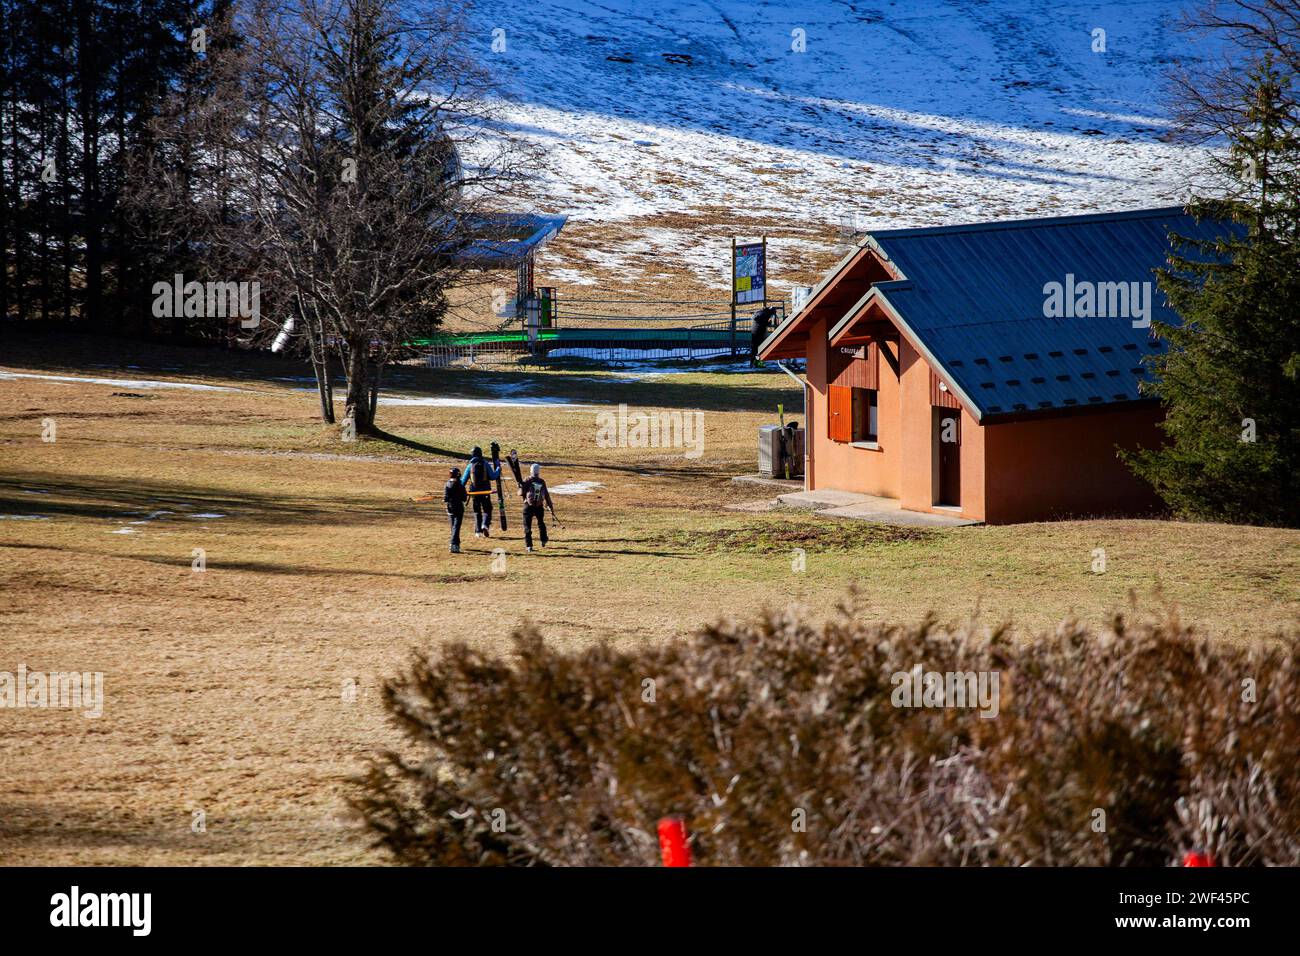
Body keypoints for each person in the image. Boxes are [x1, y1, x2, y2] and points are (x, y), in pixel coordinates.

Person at [460, 445, 500, 537]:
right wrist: (498, 468)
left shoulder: (470, 466)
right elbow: (493, 476)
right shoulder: (485, 463)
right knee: (487, 510)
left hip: (474, 493)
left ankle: (478, 531)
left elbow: (463, 482)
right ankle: (485, 525)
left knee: (477, 511)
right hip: (485, 492)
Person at [518, 463, 554, 553]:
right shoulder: (542, 482)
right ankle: (543, 539)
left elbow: (520, 493)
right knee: (541, 523)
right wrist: (551, 507)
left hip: (528, 506)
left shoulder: (527, 480)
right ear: (538, 472)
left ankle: (529, 546)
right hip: (539, 506)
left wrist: (519, 487)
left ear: (531, 471)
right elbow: (547, 496)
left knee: (527, 526)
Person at [443, 467, 467, 553]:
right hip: (458, 508)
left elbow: (445, 498)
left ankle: (456, 544)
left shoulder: (447, 484)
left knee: (453, 527)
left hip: (450, 508)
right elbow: (464, 498)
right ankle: (453, 544)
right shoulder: (460, 485)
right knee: (456, 527)